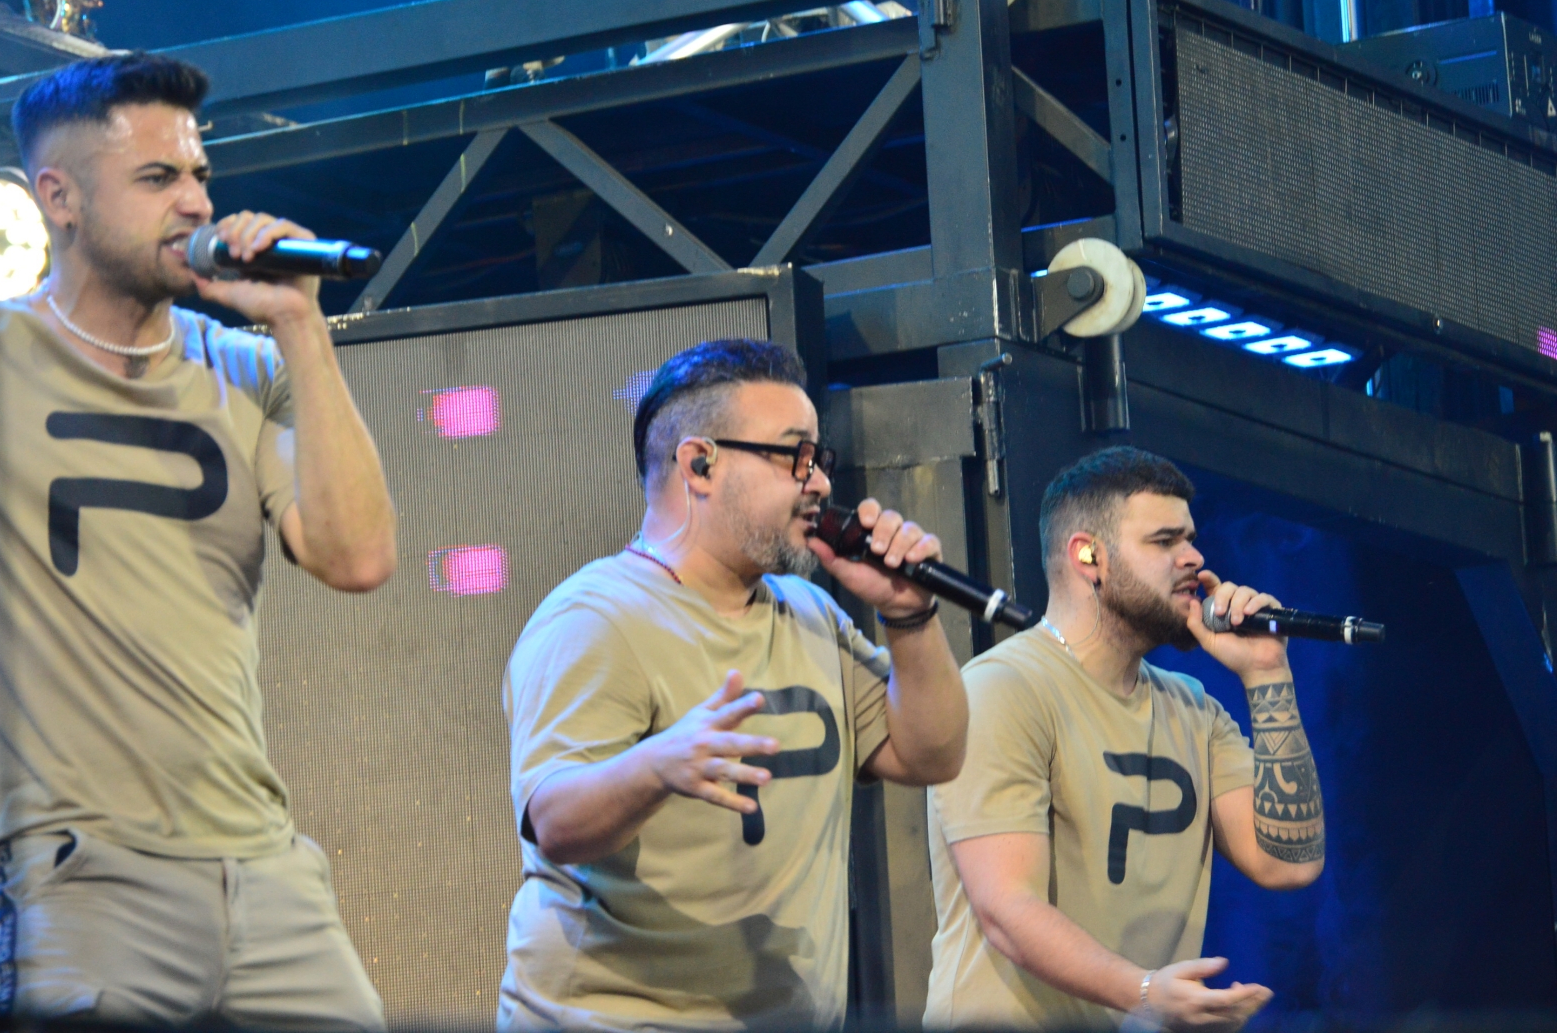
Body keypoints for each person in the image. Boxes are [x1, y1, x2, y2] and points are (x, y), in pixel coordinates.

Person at [0, 53, 396, 1027]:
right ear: (57, 199)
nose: (194, 204)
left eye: (199, 175)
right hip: (72, 870)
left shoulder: (247, 364)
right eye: (156, 179)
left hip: (264, 868)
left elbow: (356, 558)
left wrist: (302, 325)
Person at [500, 339, 968, 1031]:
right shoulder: (596, 618)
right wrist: (658, 765)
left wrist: (910, 616)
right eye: (794, 457)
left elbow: (931, 755)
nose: (819, 484)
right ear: (700, 463)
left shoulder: (806, 613)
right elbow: (553, 822)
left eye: (820, 460)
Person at [924, 447, 1326, 1031]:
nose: (1194, 559)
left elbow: (1289, 863)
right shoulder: (1004, 689)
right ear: (1088, 555)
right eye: (1164, 542)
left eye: (1190, 539)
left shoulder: (1193, 708)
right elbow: (1007, 909)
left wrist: (1267, 674)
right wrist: (1142, 991)